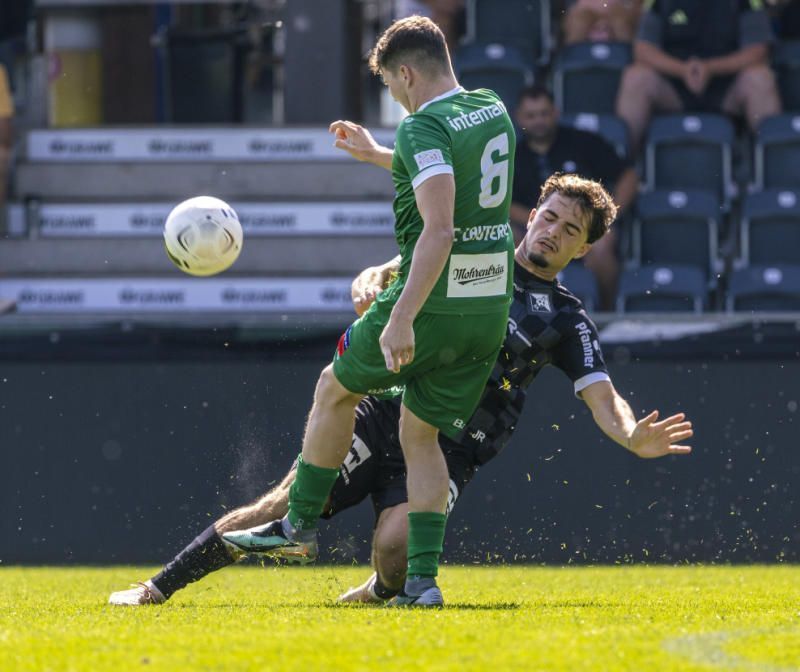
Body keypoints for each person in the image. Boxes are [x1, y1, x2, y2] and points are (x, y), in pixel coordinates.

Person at [109, 174, 693, 607]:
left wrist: (630, 433)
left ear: (583, 248)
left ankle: (382, 588)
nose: (553, 233)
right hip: (385, 412)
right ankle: (157, 587)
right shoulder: (475, 255)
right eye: (549, 217)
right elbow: (397, 267)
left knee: (395, 545)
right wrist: (371, 277)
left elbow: (603, 394)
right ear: (531, 213)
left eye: (570, 230)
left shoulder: (564, 319)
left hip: (450, 446)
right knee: (280, 505)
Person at [234, 16, 515, 608]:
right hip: (487, 306)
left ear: (407, 73)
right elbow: (455, 181)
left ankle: (298, 527)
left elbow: (438, 230)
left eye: (391, 85)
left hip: (432, 303)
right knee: (420, 434)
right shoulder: (492, 109)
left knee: (334, 386)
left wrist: (401, 316)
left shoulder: (421, 125)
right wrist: (375, 154)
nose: (395, 96)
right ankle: (422, 583)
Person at [510, 86, 638, 311]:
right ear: (519, 117)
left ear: (556, 113)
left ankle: (607, 314)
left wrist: (605, 221)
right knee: (509, 239)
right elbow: (501, 201)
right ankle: (519, 309)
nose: (538, 121)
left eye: (544, 113)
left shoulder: (583, 142)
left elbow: (628, 176)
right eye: (531, 115)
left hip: (582, 228)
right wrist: (541, 222)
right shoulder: (512, 155)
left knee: (602, 244)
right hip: (535, 230)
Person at [616, 0, 783, 156]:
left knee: (760, 78)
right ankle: (623, 166)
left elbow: (758, 51)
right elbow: (643, 49)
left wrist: (710, 68)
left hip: (727, 86)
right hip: (674, 84)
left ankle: (774, 166)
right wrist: (682, 70)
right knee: (636, 77)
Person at [562, 0, 643, 44]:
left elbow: (635, 5)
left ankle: (627, 63)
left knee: (620, 21)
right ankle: (569, 67)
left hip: (621, 10)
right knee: (578, 22)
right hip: (586, 9)